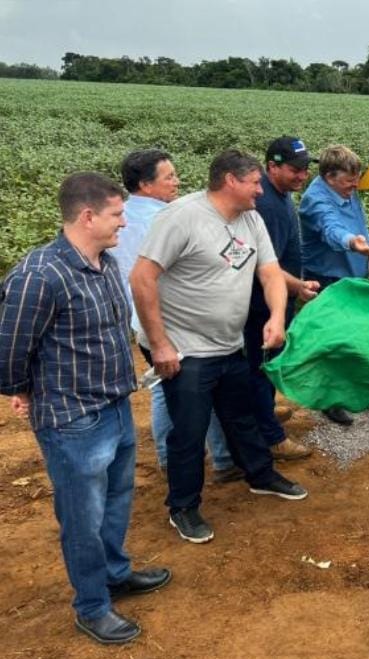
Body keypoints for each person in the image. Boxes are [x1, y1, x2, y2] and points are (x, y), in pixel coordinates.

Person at [0, 173, 171, 645]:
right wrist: (23, 389)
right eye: (117, 215)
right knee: (82, 517)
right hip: (73, 420)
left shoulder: (106, 261)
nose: (124, 222)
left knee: (116, 502)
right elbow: (9, 351)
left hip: (115, 405)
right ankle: (92, 605)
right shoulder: (40, 275)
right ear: (88, 216)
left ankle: (115, 574)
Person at [130, 150, 308, 545]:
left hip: (228, 343)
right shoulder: (182, 217)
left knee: (240, 416)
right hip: (186, 349)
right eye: (254, 183)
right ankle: (183, 507)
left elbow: (269, 272)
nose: (261, 191)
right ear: (230, 180)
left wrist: (277, 317)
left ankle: (260, 476)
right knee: (189, 431)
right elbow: (142, 278)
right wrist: (160, 344)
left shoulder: (251, 219)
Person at [113, 149, 240, 483]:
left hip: (140, 321)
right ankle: (176, 464)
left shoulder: (121, 215)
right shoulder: (165, 219)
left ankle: (223, 459)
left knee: (198, 386)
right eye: (169, 176)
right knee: (169, 391)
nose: (177, 181)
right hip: (167, 324)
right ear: (145, 184)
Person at [247, 137, 321, 460]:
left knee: (265, 368)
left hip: (275, 298)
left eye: (305, 169)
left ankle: (266, 410)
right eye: (295, 169)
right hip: (263, 304)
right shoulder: (266, 205)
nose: (302, 176)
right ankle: (272, 437)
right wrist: (298, 286)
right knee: (260, 367)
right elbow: (266, 266)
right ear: (272, 166)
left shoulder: (279, 194)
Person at [299, 144, 369, 426]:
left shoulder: (347, 190)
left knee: (354, 334)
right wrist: (352, 242)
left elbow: (358, 221)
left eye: (356, 178)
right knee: (331, 341)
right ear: (330, 177)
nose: (355, 185)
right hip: (327, 279)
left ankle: (356, 390)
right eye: (348, 181)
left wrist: (367, 245)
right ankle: (330, 400)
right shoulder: (315, 201)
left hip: (351, 273)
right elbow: (332, 228)